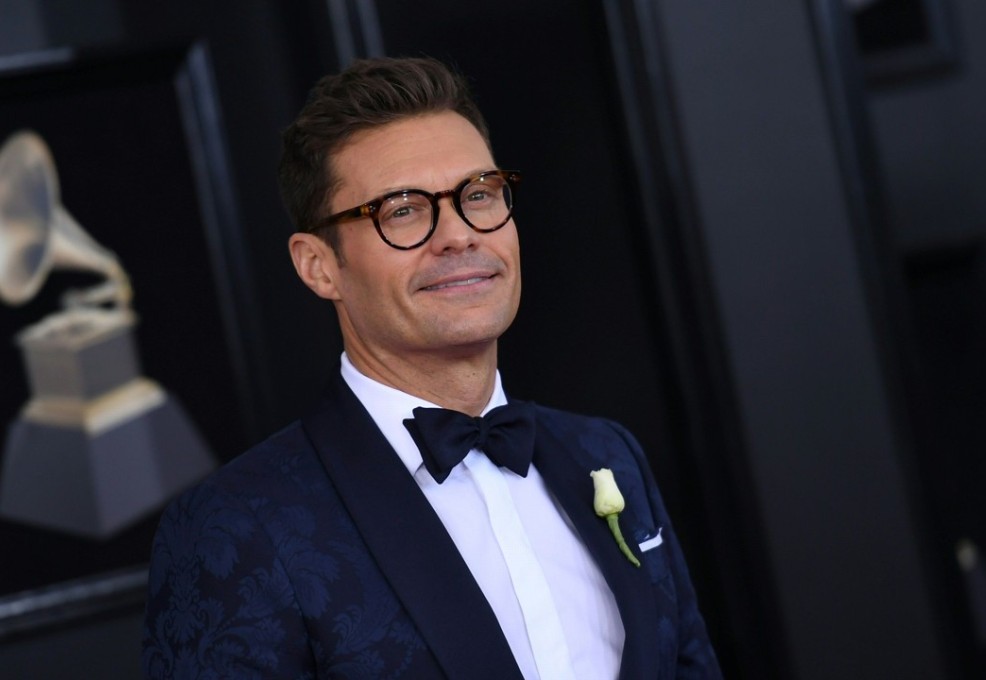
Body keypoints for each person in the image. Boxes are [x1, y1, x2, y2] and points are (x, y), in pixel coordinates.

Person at [142, 56, 721, 679]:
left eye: (478, 195)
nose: (460, 235)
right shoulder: (235, 524)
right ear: (319, 266)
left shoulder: (606, 452)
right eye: (403, 210)